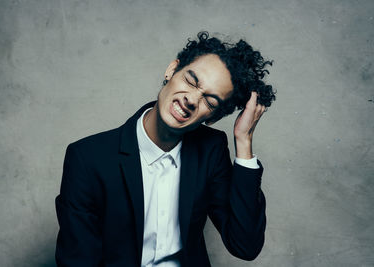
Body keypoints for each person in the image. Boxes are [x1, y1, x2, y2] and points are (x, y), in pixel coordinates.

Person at [55, 31, 276, 267]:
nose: (191, 99)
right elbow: (78, 261)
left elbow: (245, 245)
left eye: (209, 102)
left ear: (213, 118)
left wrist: (243, 142)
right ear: (172, 70)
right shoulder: (88, 158)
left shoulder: (210, 150)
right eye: (191, 81)